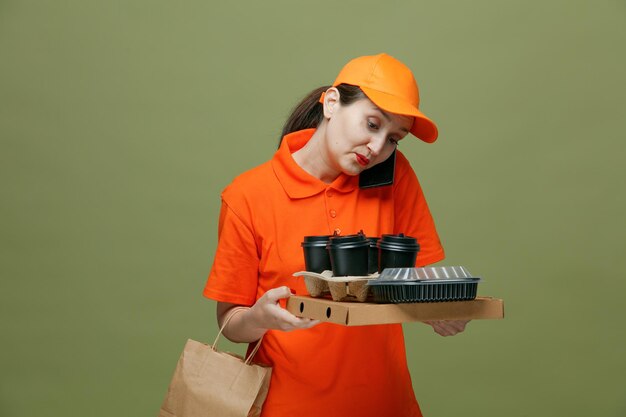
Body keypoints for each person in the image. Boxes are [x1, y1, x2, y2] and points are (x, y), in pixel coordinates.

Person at [203, 53, 469, 417]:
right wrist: (261, 317)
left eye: (394, 138)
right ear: (331, 103)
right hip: (286, 406)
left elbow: (416, 276)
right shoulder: (248, 196)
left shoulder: (395, 176)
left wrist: (442, 308)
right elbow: (231, 322)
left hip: (386, 404)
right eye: (372, 124)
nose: (378, 148)